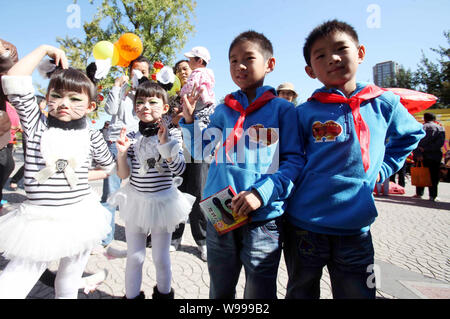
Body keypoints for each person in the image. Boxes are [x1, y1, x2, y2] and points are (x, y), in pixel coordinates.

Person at [283, 20, 425, 299]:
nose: (332, 58)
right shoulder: (304, 112)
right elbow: (290, 158)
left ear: (360, 53)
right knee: (301, 292)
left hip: (356, 228)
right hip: (304, 226)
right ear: (310, 71)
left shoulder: (384, 102)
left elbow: (410, 135)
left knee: (357, 292)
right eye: (320, 55)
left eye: (340, 49)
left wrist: (382, 170)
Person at [179, 30, 303, 299]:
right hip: (220, 210)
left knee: (258, 290)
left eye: (248, 58)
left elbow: (294, 161)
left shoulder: (283, 111)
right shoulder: (223, 110)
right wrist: (188, 124)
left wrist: (261, 193)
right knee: (220, 287)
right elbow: (201, 150)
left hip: (263, 217)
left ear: (270, 64)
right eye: (233, 60)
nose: (240, 66)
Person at [0, 45, 115, 299]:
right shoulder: (35, 123)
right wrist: (44, 49)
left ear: (90, 107)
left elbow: (108, 168)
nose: (65, 103)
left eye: (75, 99)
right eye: (57, 96)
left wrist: (78, 177)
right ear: (47, 98)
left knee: (68, 281)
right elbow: (13, 79)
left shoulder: (92, 135)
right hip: (38, 220)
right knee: (13, 283)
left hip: (80, 217)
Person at [108, 81, 195, 299]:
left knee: (160, 257)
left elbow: (179, 170)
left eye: (152, 102)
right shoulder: (131, 137)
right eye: (140, 102)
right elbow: (123, 175)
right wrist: (121, 154)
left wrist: (164, 144)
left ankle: (164, 295)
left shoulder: (173, 135)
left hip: (163, 203)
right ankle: (131, 296)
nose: (145, 106)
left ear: (165, 108)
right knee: (134, 257)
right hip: (136, 202)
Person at [101, 55, 150, 246]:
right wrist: (116, 86)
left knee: (144, 192)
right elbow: (110, 110)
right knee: (110, 192)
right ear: (129, 72)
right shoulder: (120, 90)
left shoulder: (148, 93)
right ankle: (105, 237)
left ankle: (142, 235)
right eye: (135, 70)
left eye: (143, 71)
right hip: (116, 142)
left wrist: (142, 92)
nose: (138, 74)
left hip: (141, 143)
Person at [168, 59, 208, 259]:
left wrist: (188, 115)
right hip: (178, 149)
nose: (182, 72)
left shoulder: (203, 90)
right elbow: (169, 120)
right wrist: (180, 115)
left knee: (199, 194)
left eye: (185, 68)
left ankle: (203, 241)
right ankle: (174, 238)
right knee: (178, 193)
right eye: (178, 70)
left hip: (199, 149)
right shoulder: (174, 96)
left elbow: (209, 117)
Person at [179, 46, 216, 127]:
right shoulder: (208, 73)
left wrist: (182, 93)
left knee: (196, 123)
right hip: (207, 102)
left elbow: (191, 85)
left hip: (198, 101)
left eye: (190, 60)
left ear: (199, 61)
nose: (189, 62)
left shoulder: (196, 72)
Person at [412, 112, 446, 201]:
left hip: (421, 157)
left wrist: (418, 153)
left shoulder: (419, 127)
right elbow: (440, 144)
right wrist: (426, 149)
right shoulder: (440, 128)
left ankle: (419, 193)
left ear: (424, 118)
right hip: (434, 156)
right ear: (434, 119)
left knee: (420, 173)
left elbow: (414, 142)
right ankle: (433, 195)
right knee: (434, 176)